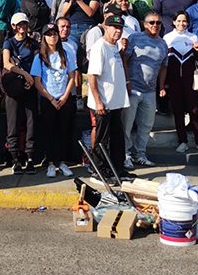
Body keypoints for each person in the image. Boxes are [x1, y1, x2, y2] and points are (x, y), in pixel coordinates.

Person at [87, 15, 132, 182]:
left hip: (116, 102)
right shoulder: (100, 47)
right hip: (104, 103)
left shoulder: (115, 46)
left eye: (120, 28)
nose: (118, 31)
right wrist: (98, 101)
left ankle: (117, 169)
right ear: (106, 27)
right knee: (102, 139)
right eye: (114, 27)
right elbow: (92, 76)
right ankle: (98, 171)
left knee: (117, 139)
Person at [122, 11, 168, 168]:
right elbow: (124, 60)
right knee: (127, 125)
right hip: (133, 89)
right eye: (151, 22)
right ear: (144, 24)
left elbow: (163, 67)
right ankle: (125, 154)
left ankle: (140, 153)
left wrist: (161, 86)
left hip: (150, 91)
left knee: (146, 125)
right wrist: (127, 81)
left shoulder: (163, 44)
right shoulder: (134, 38)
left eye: (158, 23)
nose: (155, 25)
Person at [31, 23, 76, 178]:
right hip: (48, 99)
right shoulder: (39, 57)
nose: (52, 37)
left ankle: (61, 161)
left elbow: (72, 77)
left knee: (63, 130)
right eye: (49, 34)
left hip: (63, 98)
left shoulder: (66, 54)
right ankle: (50, 162)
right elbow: (37, 82)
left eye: (54, 34)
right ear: (44, 37)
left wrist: (65, 96)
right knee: (49, 131)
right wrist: (51, 99)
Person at [163, 11, 198, 154]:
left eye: (184, 21)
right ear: (174, 22)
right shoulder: (167, 38)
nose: (181, 23)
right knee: (178, 110)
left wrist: (197, 51)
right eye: (179, 21)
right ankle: (182, 141)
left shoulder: (193, 37)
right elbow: (164, 62)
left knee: (194, 110)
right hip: (173, 80)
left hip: (190, 80)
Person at [2, 13, 39, 174]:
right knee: (13, 123)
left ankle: (30, 157)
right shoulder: (8, 42)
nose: (22, 27)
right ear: (13, 26)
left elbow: (37, 62)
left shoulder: (33, 43)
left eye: (24, 23)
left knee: (31, 122)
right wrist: (25, 74)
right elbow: (6, 63)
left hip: (30, 86)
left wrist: (31, 79)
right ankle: (15, 158)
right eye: (19, 24)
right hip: (14, 86)